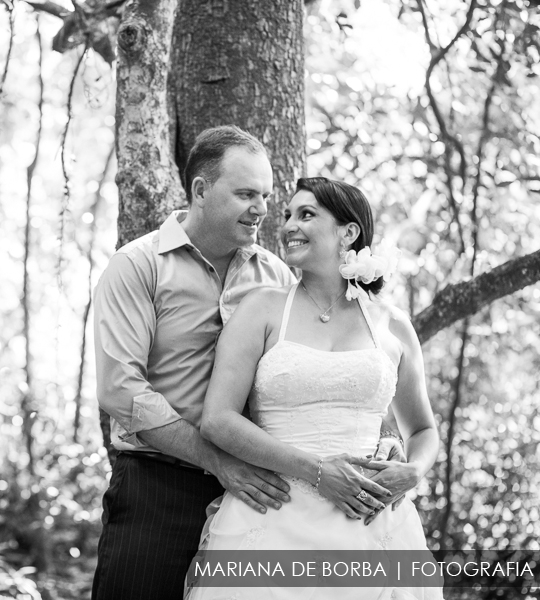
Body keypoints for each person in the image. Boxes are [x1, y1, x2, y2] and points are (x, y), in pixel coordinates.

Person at [91, 127, 401, 600]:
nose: (261, 208)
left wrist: (384, 442)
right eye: (245, 194)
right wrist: (217, 460)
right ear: (200, 191)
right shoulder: (138, 265)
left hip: (264, 493)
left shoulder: (276, 274)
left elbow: (316, 371)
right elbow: (119, 389)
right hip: (160, 485)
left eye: (266, 195)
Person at [185, 177, 442, 600]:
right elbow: (217, 420)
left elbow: (423, 431)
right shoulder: (261, 309)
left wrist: (413, 472)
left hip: (372, 523)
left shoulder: (392, 324)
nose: (288, 225)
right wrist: (317, 472)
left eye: (306, 215)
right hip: (275, 519)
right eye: (287, 215)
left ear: (349, 232)